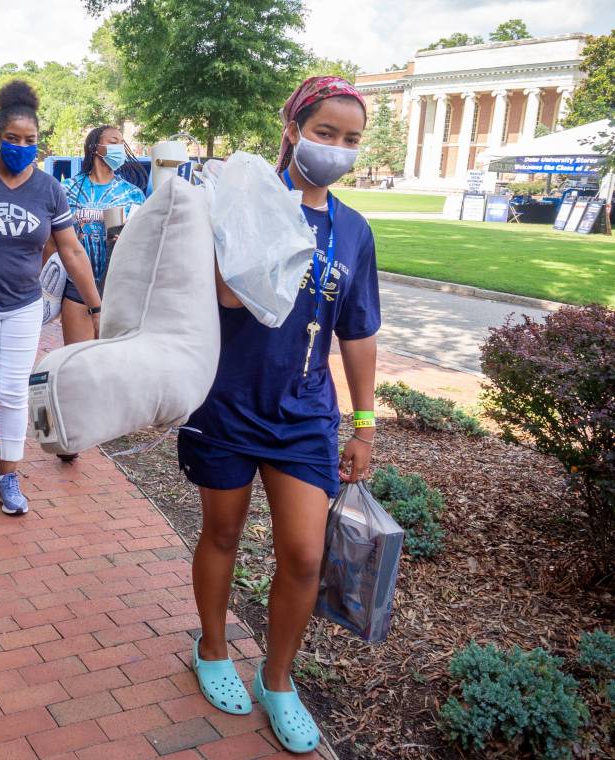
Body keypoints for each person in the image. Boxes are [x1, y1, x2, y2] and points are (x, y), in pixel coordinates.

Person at [179, 76, 379, 754]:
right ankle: (211, 648)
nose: (337, 149)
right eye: (325, 133)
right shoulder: (238, 201)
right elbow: (219, 301)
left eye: (350, 140)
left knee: (303, 553)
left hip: (303, 413)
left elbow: (358, 332)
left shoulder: (353, 230)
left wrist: (365, 423)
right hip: (227, 400)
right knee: (223, 535)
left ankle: (278, 679)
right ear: (292, 128)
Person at [0, 80, 102, 516]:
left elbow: (71, 250)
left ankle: (7, 477)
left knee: (14, 393)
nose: (21, 147)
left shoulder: (49, 190)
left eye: (30, 141)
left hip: (24, 306)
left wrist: (96, 305)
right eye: (12, 139)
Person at [53, 126, 146, 345]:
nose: (120, 148)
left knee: (113, 364)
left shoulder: (133, 193)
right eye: (114, 141)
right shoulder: (66, 189)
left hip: (118, 287)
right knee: (80, 361)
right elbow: (52, 238)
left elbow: (144, 244)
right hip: (78, 286)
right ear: (96, 147)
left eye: (122, 143)